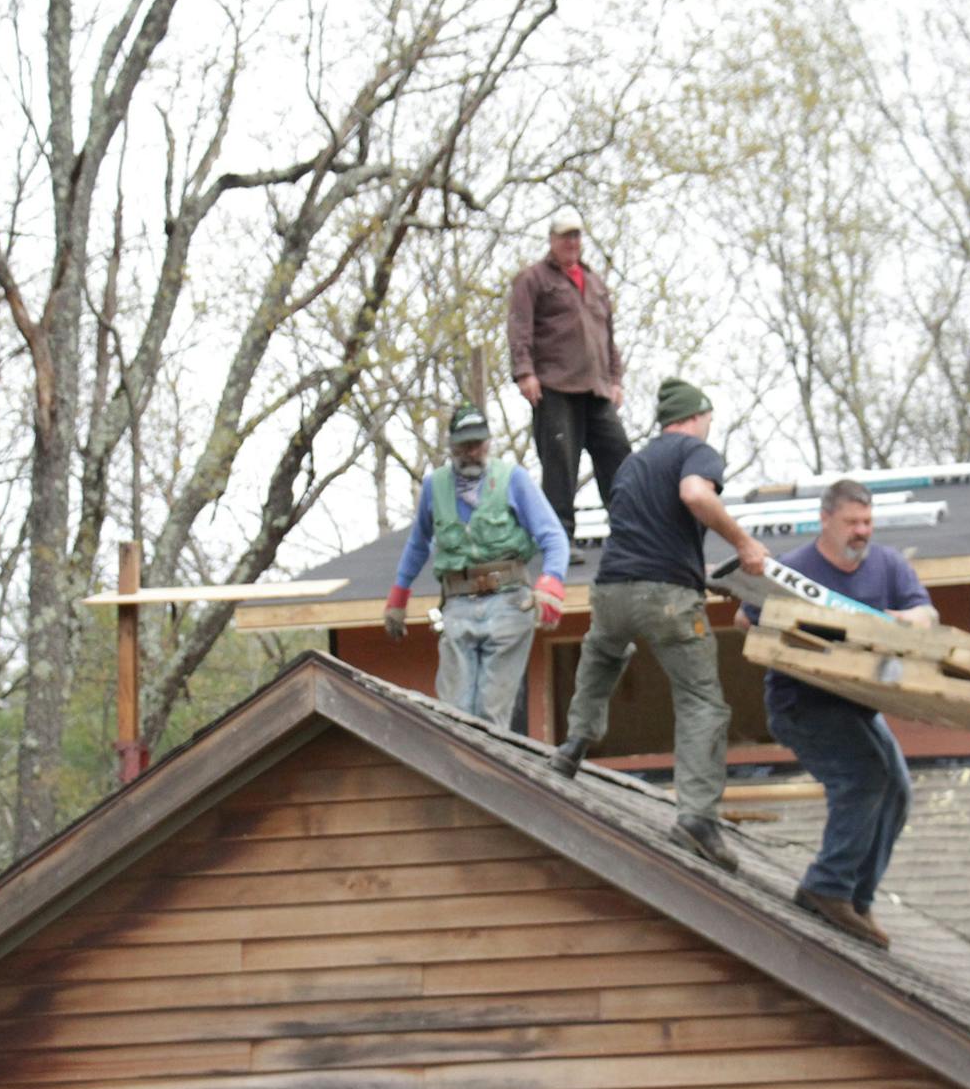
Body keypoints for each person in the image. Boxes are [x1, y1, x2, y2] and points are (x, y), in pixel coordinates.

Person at [552, 378, 766, 873]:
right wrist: (744, 544)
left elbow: (647, 537)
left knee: (603, 654)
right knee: (701, 702)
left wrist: (702, 574)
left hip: (610, 591)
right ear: (698, 415)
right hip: (665, 599)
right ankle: (696, 819)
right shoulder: (695, 451)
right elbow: (694, 495)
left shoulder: (632, 464)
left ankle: (573, 744)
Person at [745, 479, 936, 950]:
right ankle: (825, 888)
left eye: (867, 522)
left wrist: (892, 620)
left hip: (858, 705)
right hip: (802, 703)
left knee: (898, 790)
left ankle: (857, 897)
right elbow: (745, 620)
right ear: (825, 520)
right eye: (852, 522)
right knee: (865, 777)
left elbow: (925, 616)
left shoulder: (888, 566)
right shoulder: (794, 570)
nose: (862, 532)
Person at [384, 405, 569, 728]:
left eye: (478, 444)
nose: (472, 452)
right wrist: (399, 594)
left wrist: (552, 581)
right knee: (454, 714)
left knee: (490, 714)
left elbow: (553, 536)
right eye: (464, 446)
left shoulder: (513, 479)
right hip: (458, 605)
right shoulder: (434, 487)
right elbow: (418, 544)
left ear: (488, 443)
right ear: (451, 447)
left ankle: (489, 774)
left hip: (510, 603)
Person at [507, 207, 630, 535]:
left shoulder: (595, 282)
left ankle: (629, 531)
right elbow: (519, 327)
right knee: (560, 464)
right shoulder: (533, 278)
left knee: (618, 452)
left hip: (598, 387)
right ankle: (559, 538)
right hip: (555, 385)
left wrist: (616, 379)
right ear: (552, 239)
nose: (572, 242)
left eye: (576, 235)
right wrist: (524, 372)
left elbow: (609, 337)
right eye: (565, 236)